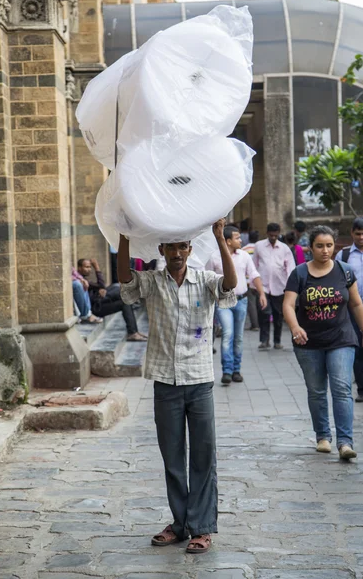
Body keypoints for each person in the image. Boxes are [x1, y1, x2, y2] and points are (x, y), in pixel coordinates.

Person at [118, 219, 237, 554]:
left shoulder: (204, 281)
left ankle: (202, 527)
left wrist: (219, 238)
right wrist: (123, 237)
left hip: (199, 380)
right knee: (172, 457)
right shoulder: (153, 282)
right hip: (165, 381)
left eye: (182, 246)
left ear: (189, 249)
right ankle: (180, 523)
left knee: (202, 456)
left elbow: (230, 285)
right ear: (161, 250)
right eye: (170, 246)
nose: (176, 252)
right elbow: (126, 282)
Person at [283, 225, 363, 460]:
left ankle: (345, 442)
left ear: (335, 246)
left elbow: (355, 304)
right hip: (308, 342)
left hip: (341, 339)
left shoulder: (345, 271)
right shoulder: (300, 273)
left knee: (342, 389)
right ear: (311, 247)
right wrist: (295, 328)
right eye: (320, 246)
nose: (325, 251)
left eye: (329, 246)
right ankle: (323, 436)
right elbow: (288, 305)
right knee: (316, 391)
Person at [208, 225, 267, 384]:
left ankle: (236, 370)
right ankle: (226, 370)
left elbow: (253, 274)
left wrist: (261, 293)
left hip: (241, 300)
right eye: (237, 238)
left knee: (238, 337)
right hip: (223, 302)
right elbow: (207, 279)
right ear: (227, 241)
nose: (241, 240)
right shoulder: (214, 257)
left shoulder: (244, 256)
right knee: (227, 334)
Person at [335, 217, 363, 402]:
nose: (361, 237)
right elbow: (336, 281)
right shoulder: (343, 256)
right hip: (352, 310)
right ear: (352, 233)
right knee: (357, 349)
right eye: (358, 233)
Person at [77, 258, 146, 342]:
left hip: (99, 299)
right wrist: (97, 267)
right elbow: (101, 284)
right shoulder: (80, 280)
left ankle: (134, 332)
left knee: (119, 291)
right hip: (96, 307)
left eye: (90, 267)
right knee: (119, 291)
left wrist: (99, 289)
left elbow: (100, 286)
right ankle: (133, 332)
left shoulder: (83, 278)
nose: (89, 269)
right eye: (86, 267)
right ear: (79, 268)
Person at [253, 223, 296, 350]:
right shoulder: (259, 246)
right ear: (267, 233)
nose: (273, 237)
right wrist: (253, 284)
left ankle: (277, 340)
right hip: (263, 287)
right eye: (271, 235)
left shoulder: (284, 248)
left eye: (275, 235)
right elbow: (254, 265)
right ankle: (264, 340)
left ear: (278, 234)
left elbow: (290, 267)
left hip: (280, 286)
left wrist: (290, 286)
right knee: (264, 313)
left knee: (278, 315)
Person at [243, 230, 260, 330]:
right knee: (261, 301)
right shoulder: (261, 249)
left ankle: (255, 324)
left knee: (252, 303)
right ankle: (261, 322)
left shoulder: (244, 250)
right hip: (260, 280)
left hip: (248, 280)